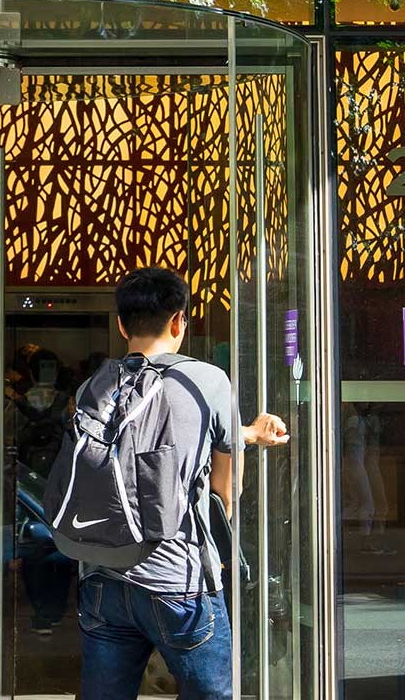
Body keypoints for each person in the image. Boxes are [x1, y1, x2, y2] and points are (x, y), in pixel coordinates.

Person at [74, 268, 290, 700]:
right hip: (178, 579)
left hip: (102, 577)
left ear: (121, 324)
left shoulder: (93, 388)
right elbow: (228, 489)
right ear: (178, 322)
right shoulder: (207, 381)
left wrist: (248, 431)